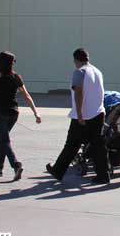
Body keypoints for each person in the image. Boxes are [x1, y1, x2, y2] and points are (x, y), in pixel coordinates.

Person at [46, 48, 109, 185]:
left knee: (72, 144)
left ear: (76, 60)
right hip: (98, 113)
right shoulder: (97, 72)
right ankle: (103, 175)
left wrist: (80, 114)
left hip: (83, 115)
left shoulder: (79, 72)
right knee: (98, 145)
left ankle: (58, 170)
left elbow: (79, 92)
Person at [0, 51, 41, 180]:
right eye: (13, 62)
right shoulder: (15, 77)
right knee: (3, 138)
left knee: (4, 139)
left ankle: (16, 165)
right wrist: (35, 112)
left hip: (1, 112)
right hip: (14, 112)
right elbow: (26, 95)